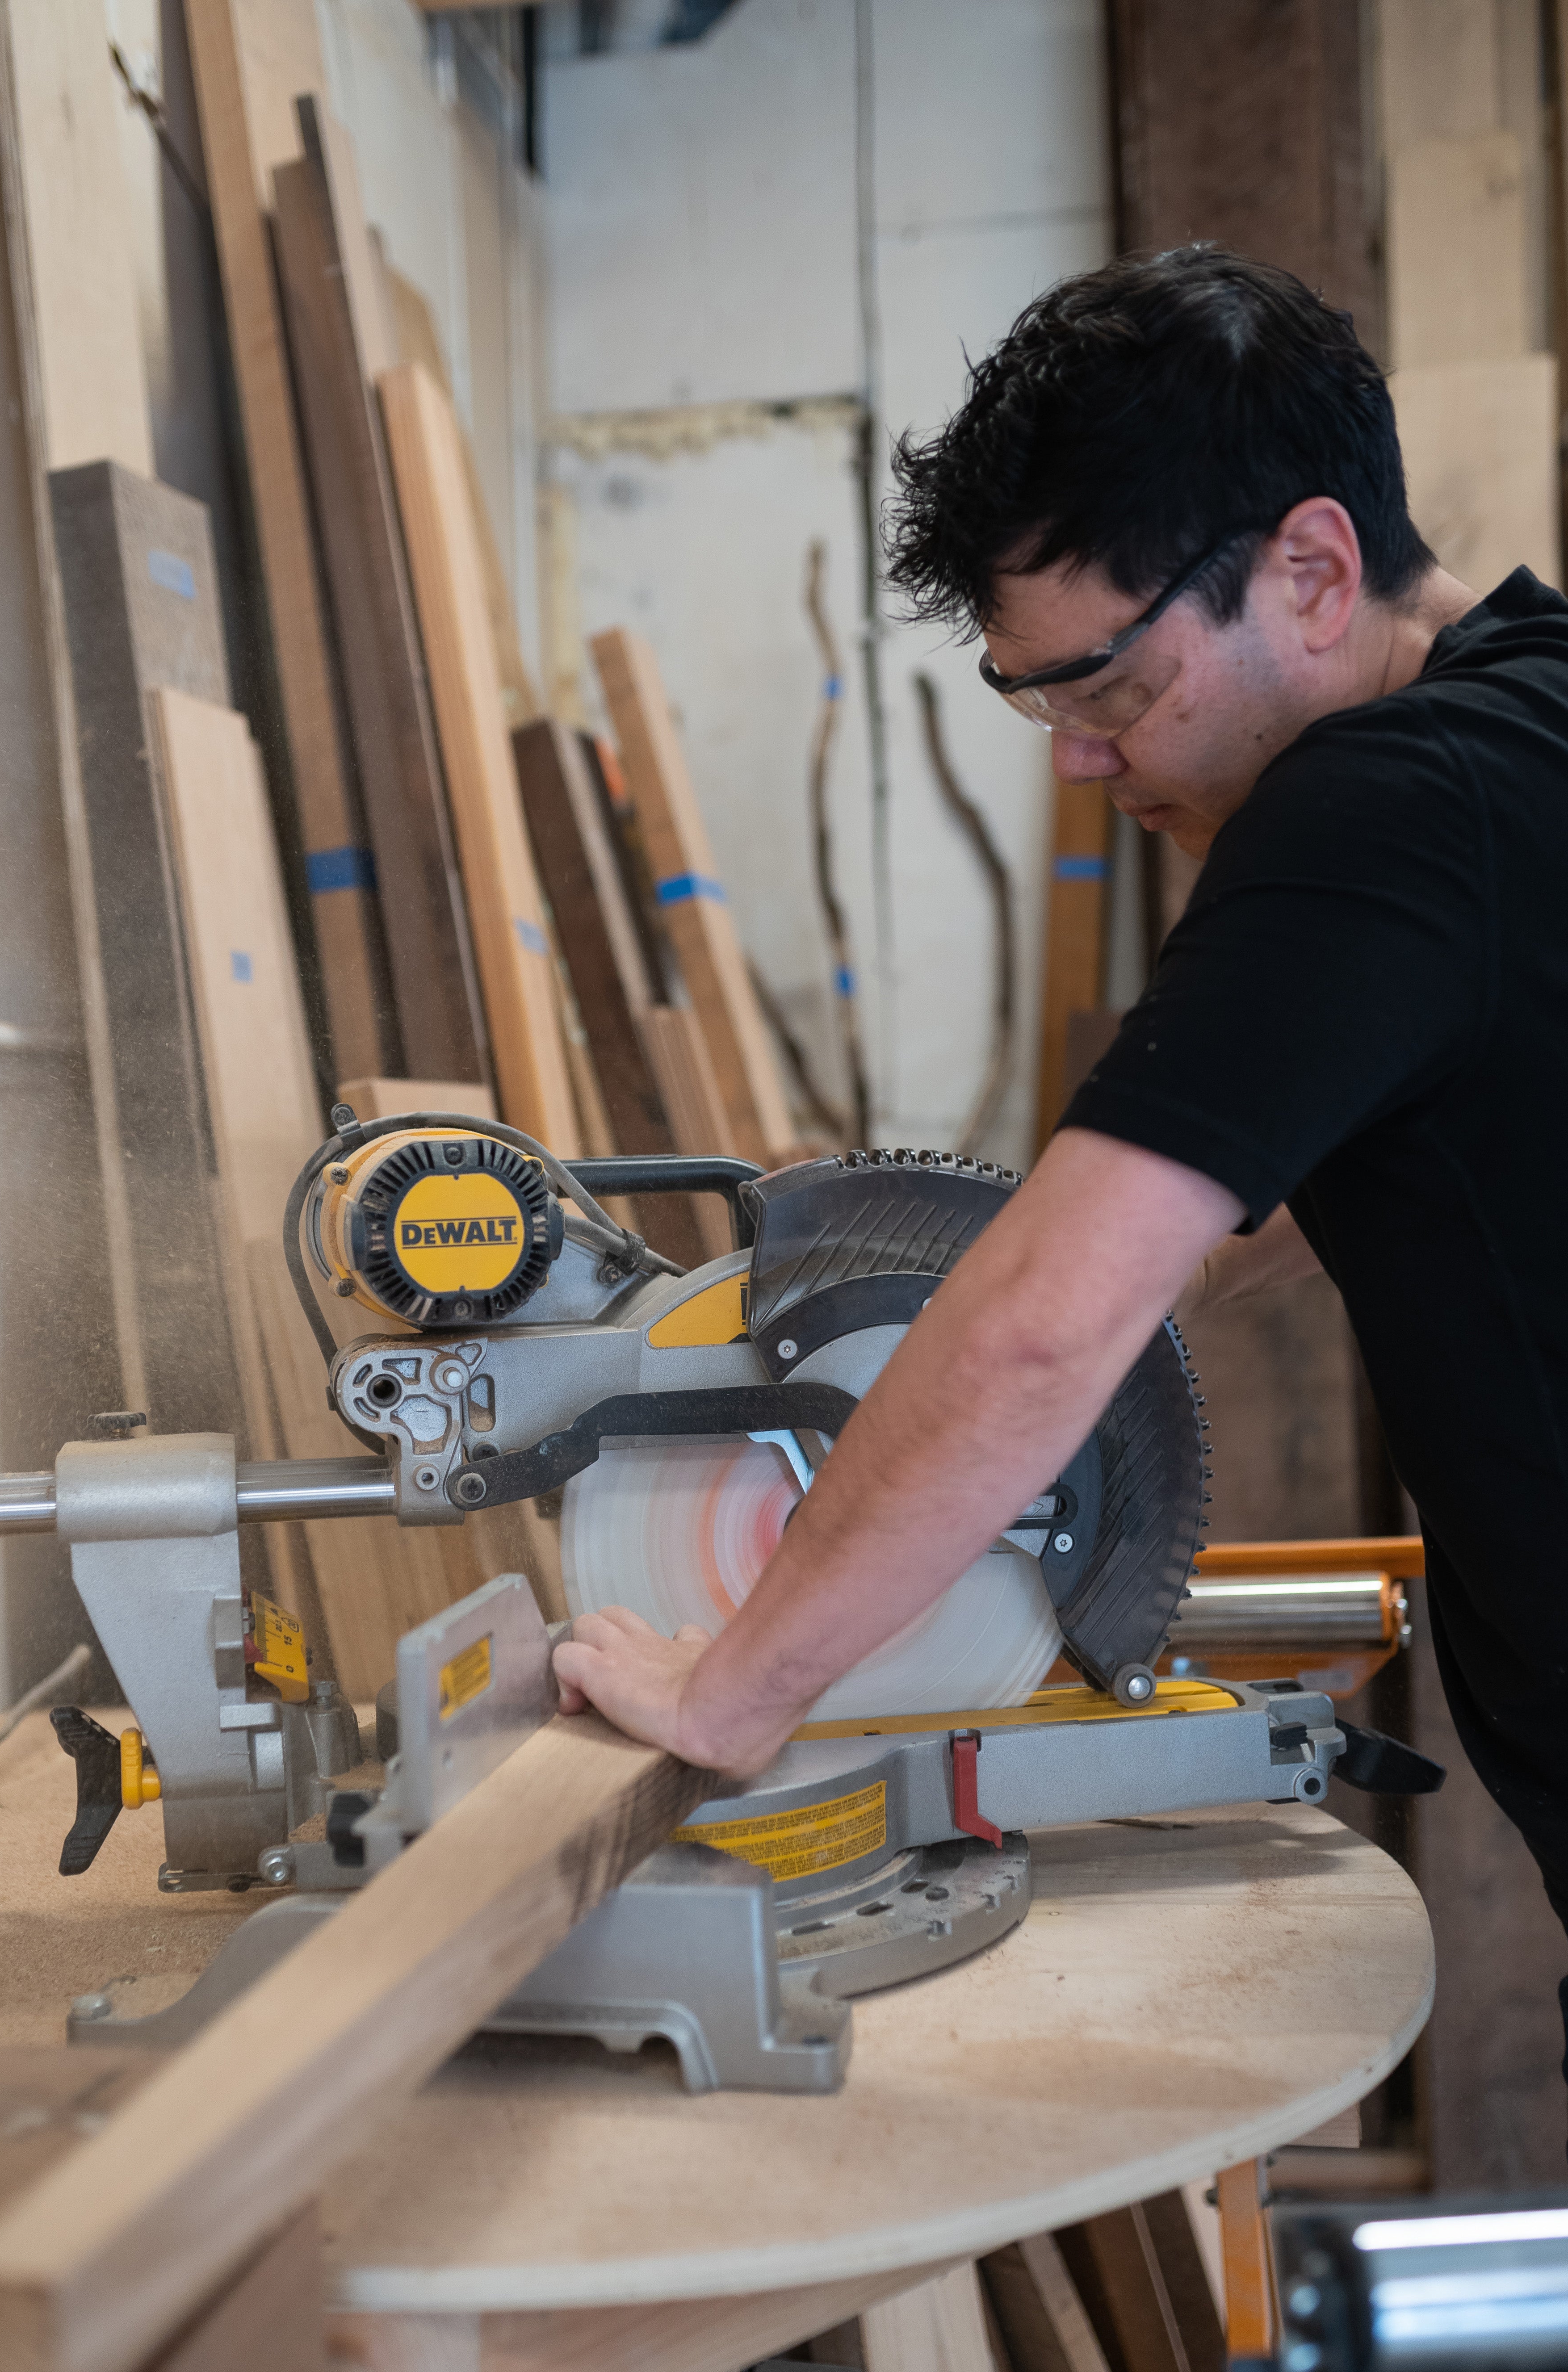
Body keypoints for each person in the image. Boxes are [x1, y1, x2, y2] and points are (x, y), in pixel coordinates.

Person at [552, 244, 1568, 2012]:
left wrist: (736, 1690)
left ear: (1313, 571)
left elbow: (1041, 1330)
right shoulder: (1527, 722)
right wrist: (1065, 1290)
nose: (1079, 764)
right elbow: (1457, 1131)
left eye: (1105, 689)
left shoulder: (1371, 812)